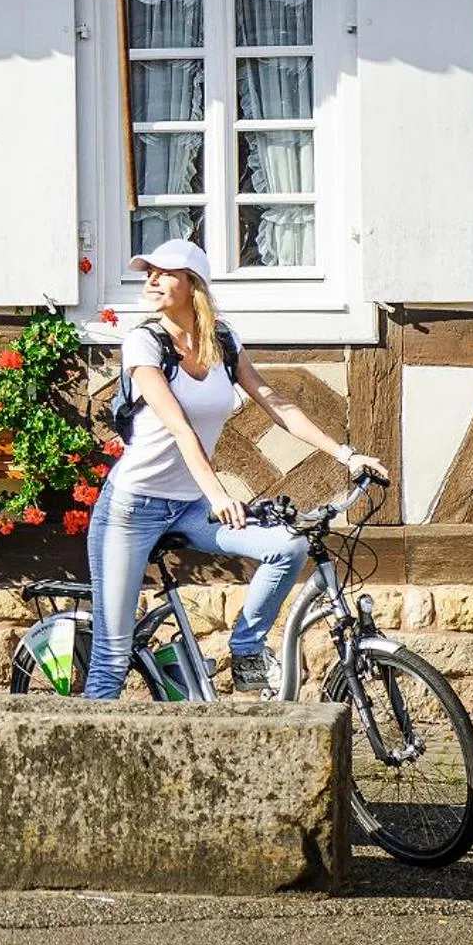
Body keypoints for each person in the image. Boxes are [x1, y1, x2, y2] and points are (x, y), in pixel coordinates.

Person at [84, 239, 388, 699]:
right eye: (148, 272)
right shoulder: (143, 343)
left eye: (164, 273)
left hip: (188, 506)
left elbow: (274, 402)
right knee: (112, 654)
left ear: (193, 284)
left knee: (288, 546)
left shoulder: (223, 341)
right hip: (132, 508)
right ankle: (88, 764)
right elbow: (180, 427)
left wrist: (346, 454)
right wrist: (220, 494)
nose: (151, 280)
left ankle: (246, 645)